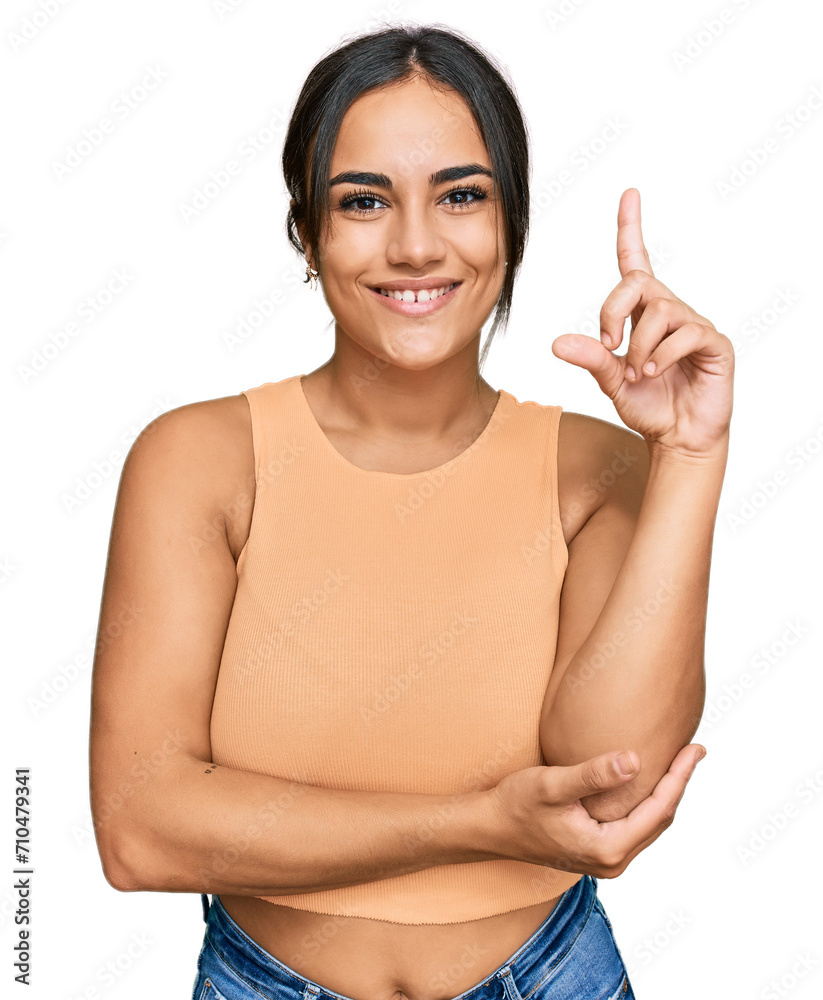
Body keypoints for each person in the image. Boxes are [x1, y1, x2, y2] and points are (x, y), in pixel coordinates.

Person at [88, 23, 733, 1000]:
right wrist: (478, 821)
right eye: (363, 201)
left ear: (509, 223)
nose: (418, 244)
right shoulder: (196, 462)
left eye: (461, 195)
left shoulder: (598, 469)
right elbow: (141, 829)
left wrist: (688, 453)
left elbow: (614, 777)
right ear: (307, 230)